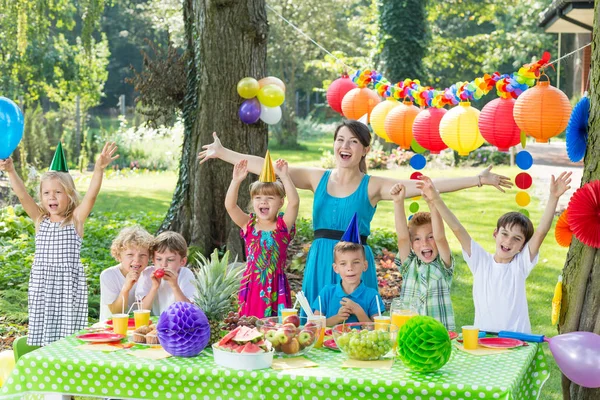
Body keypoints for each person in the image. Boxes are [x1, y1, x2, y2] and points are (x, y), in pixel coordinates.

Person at [197, 119, 512, 306]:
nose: (344, 145)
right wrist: (224, 153)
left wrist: (478, 179)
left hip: (355, 263)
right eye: (339, 140)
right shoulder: (316, 177)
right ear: (334, 145)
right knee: (317, 324)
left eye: (352, 141)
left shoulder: (372, 185)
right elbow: (264, 166)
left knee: (355, 324)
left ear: (364, 150)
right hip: (322, 259)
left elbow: (425, 185)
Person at [420, 171, 572, 333]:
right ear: (495, 234)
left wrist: (553, 197)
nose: (508, 242)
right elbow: (457, 228)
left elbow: (541, 231)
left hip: (517, 340)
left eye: (516, 239)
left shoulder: (520, 265)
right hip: (484, 338)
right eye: (504, 234)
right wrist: (436, 199)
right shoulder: (480, 261)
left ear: (522, 247)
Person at [0, 142, 119, 346]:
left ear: (69, 194)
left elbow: (91, 195)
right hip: (43, 285)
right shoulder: (40, 219)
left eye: (58, 192)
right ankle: (47, 364)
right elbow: (22, 195)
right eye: (46, 193)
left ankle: (67, 364)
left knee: (67, 335)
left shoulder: (76, 219)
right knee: (45, 331)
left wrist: (99, 168)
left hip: (67, 287)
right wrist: (10, 170)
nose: (51, 197)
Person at [225, 153, 298, 317]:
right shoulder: (248, 225)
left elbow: (294, 203)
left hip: (276, 288)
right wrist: (236, 181)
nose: (263, 202)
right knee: (250, 327)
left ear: (280, 203)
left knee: (277, 331)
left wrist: (285, 176)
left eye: (270, 198)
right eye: (258, 198)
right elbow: (230, 206)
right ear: (253, 202)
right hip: (252, 287)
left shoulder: (282, 227)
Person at [391, 178, 455, 330]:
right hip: (410, 333)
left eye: (430, 237)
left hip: (438, 335)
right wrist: (398, 203)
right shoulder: (409, 265)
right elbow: (402, 238)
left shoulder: (443, 265)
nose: (424, 243)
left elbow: (440, 237)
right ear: (412, 244)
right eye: (417, 239)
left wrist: (433, 203)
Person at [311, 241, 385, 326]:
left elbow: (377, 330)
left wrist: (358, 311)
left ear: (365, 265)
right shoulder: (327, 292)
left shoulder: (372, 295)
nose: (350, 268)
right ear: (336, 268)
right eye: (343, 264)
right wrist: (337, 317)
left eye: (356, 262)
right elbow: (314, 325)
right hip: (331, 339)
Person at [100, 226, 154, 321]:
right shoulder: (108, 275)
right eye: (130, 255)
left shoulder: (151, 275)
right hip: (112, 328)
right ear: (119, 256)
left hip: (140, 326)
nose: (137, 260)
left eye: (143, 255)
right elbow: (116, 312)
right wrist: (126, 288)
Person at [136, 231, 197, 315]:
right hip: (154, 323)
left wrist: (174, 286)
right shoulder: (147, 274)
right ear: (153, 259)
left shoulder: (185, 274)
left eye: (170, 259)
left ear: (182, 261)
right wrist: (154, 287)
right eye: (159, 259)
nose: (164, 265)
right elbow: (141, 309)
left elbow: (188, 311)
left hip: (178, 323)